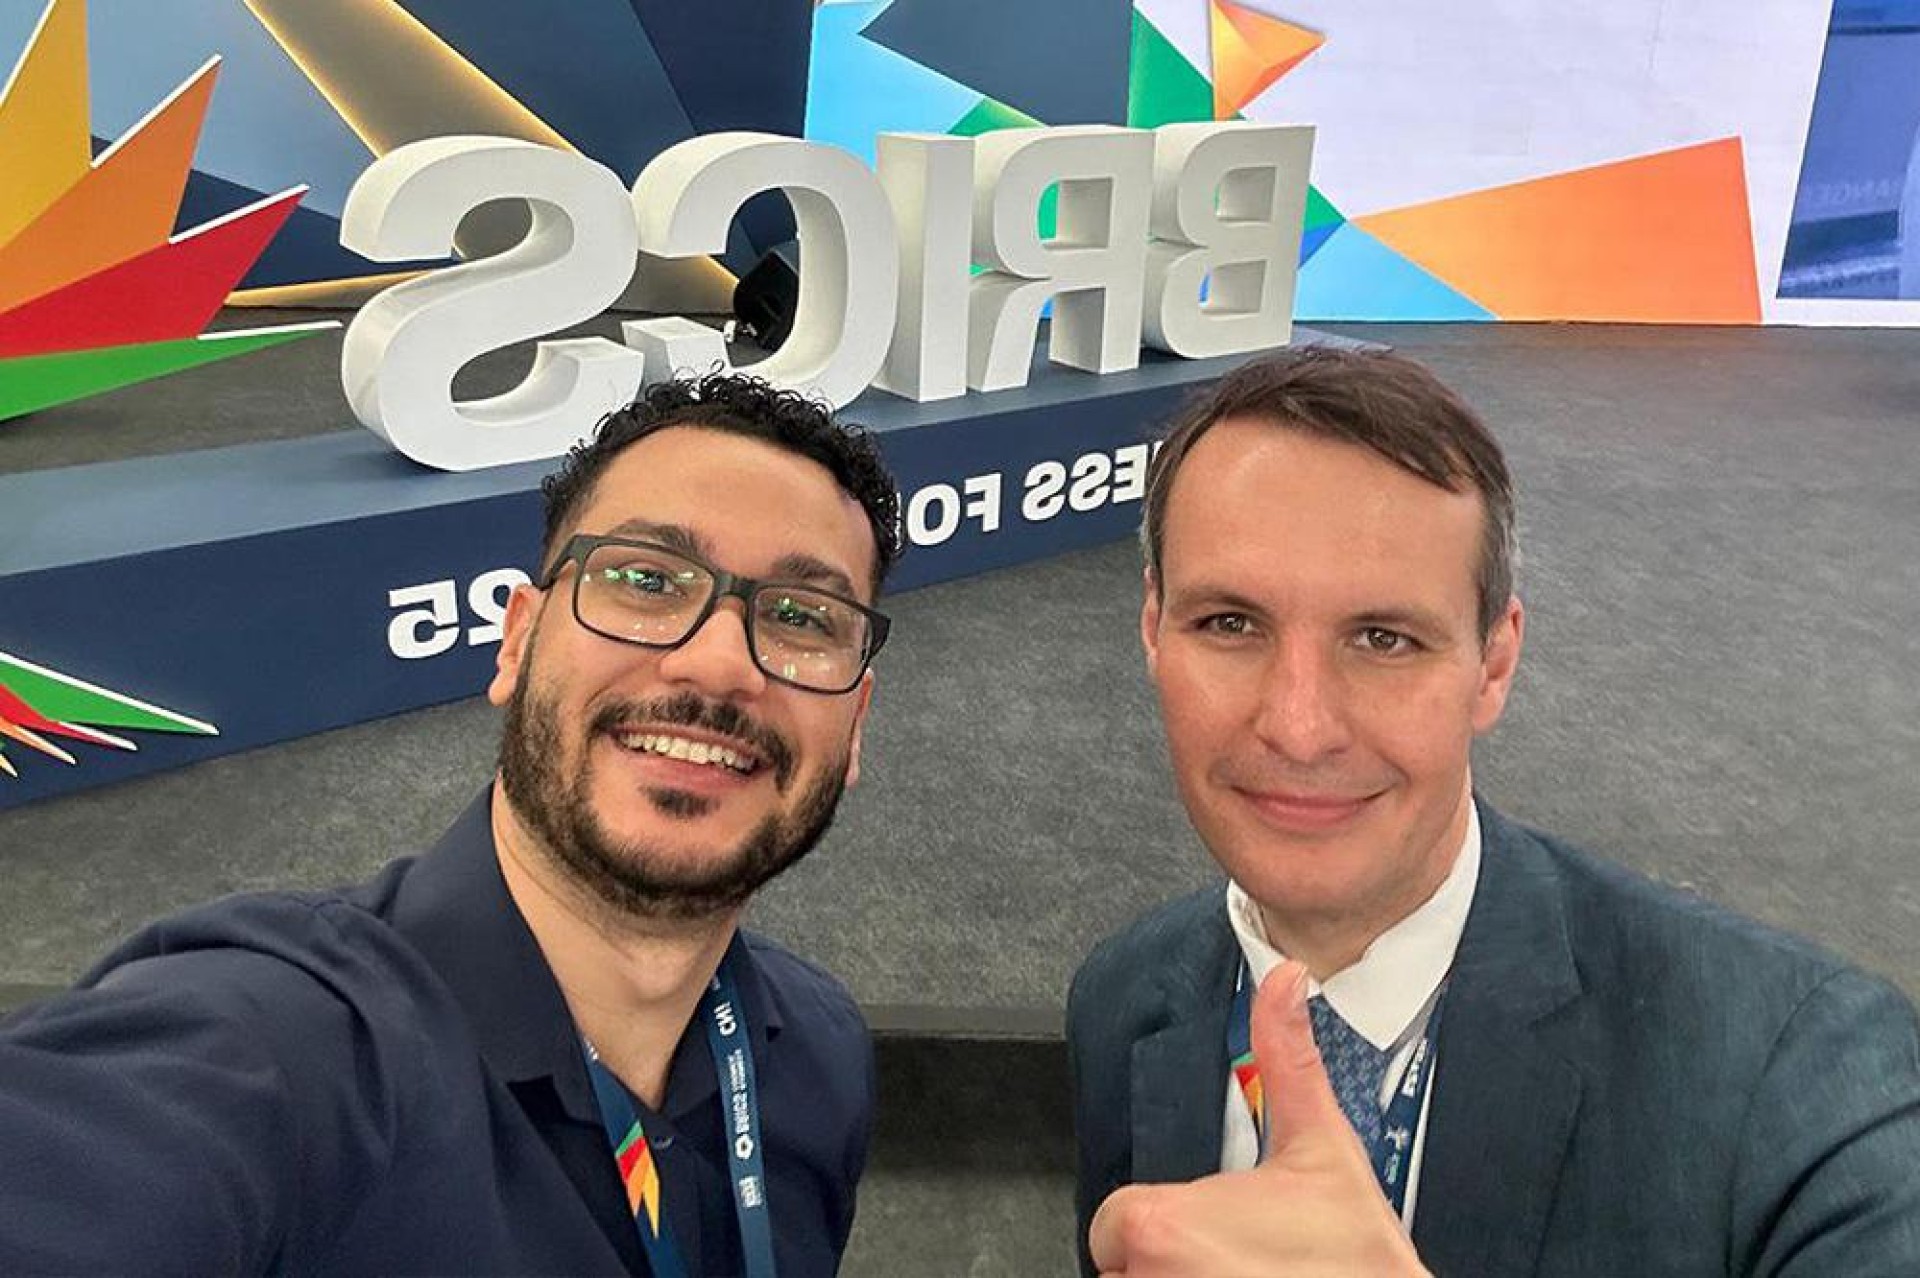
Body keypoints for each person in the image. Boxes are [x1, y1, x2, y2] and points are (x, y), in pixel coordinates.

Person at [0, 372, 900, 1275]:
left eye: (801, 617)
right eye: (646, 580)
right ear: (517, 642)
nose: (719, 663)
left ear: (855, 726)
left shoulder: (818, 1056)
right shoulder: (278, 1051)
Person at [1067, 347, 1920, 1276]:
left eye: (1384, 639)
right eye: (1229, 624)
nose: (1300, 729)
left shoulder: (1797, 1069)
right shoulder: (1123, 1000)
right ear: (1153, 632)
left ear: (1495, 665)